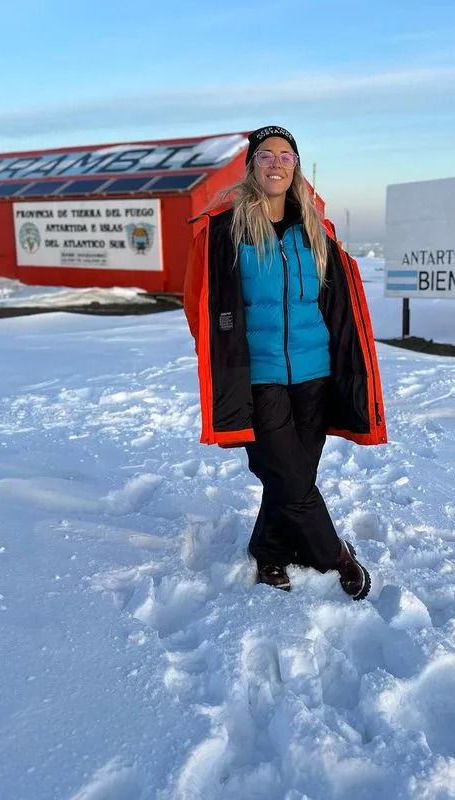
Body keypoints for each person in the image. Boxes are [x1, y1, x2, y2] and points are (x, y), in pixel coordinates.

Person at [183, 125, 386, 599]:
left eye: (286, 155)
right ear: (251, 166)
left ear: (296, 167)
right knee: (290, 477)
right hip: (260, 376)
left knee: (293, 477)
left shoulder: (315, 229)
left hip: (315, 374)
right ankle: (334, 554)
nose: (276, 162)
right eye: (266, 155)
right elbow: (199, 304)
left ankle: (270, 551)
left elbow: (335, 303)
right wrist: (221, 357)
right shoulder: (224, 229)